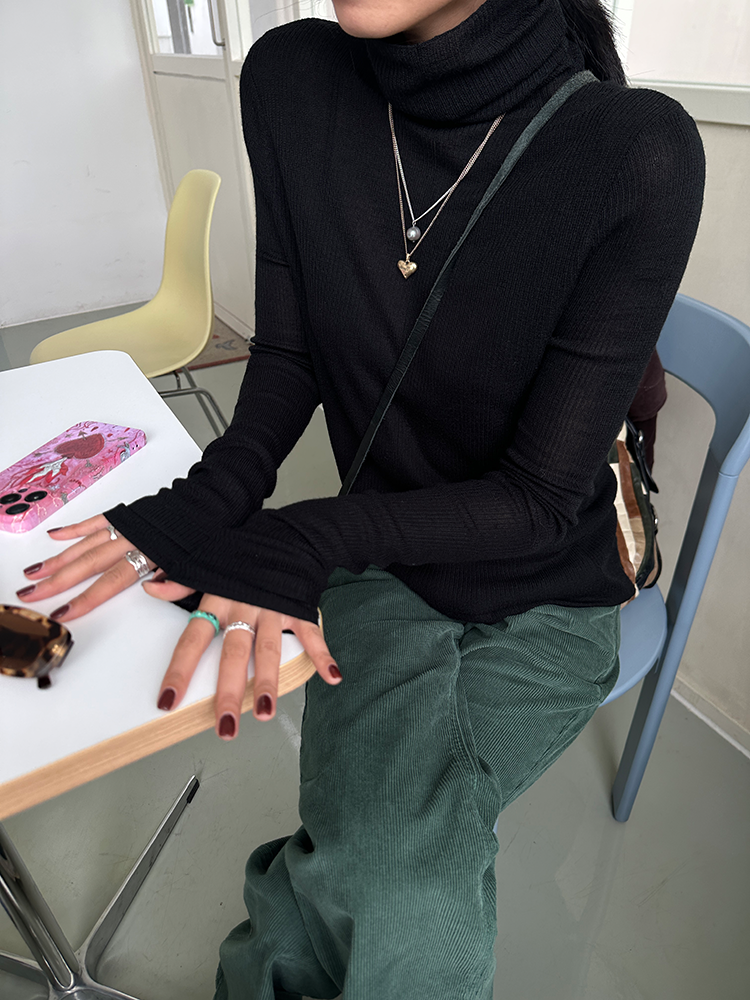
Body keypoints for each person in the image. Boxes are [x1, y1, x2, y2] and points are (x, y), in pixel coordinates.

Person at [19, 0, 704, 996]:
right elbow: (290, 355)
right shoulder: (290, 79)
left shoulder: (636, 149)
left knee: (381, 866)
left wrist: (298, 540)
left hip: (551, 592)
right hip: (387, 564)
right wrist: (198, 505)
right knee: (395, 873)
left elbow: (538, 496)